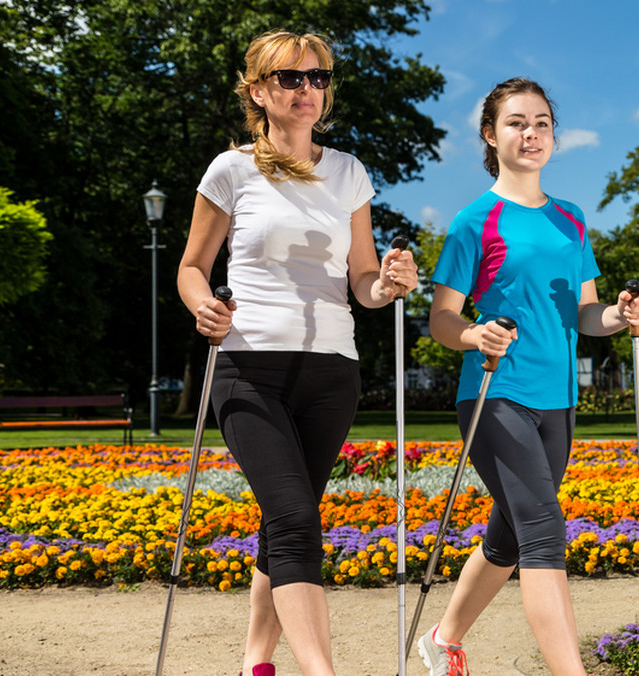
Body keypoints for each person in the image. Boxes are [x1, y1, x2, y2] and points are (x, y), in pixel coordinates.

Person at [176, 30, 417, 676]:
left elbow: (363, 283)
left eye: (318, 78)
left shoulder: (349, 173)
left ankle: (256, 663)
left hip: (331, 374)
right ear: (258, 91)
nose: (308, 89)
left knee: (287, 521)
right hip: (248, 367)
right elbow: (192, 268)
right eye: (291, 78)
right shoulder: (230, 171)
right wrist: (202, 303)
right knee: (292, 518)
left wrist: (389, 283)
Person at [420, 77, 639, 676]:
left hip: (558, 400)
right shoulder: (476, 221)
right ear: (491, 136)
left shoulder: (571, 220)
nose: (532, 133)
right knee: (545, 534)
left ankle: (443, 639)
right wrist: (474, 334)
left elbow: (586, 312)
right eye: (518, 122)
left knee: (510, 536)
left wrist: (622, 315)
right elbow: (442, 317)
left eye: (542, 122)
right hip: (495, 394)